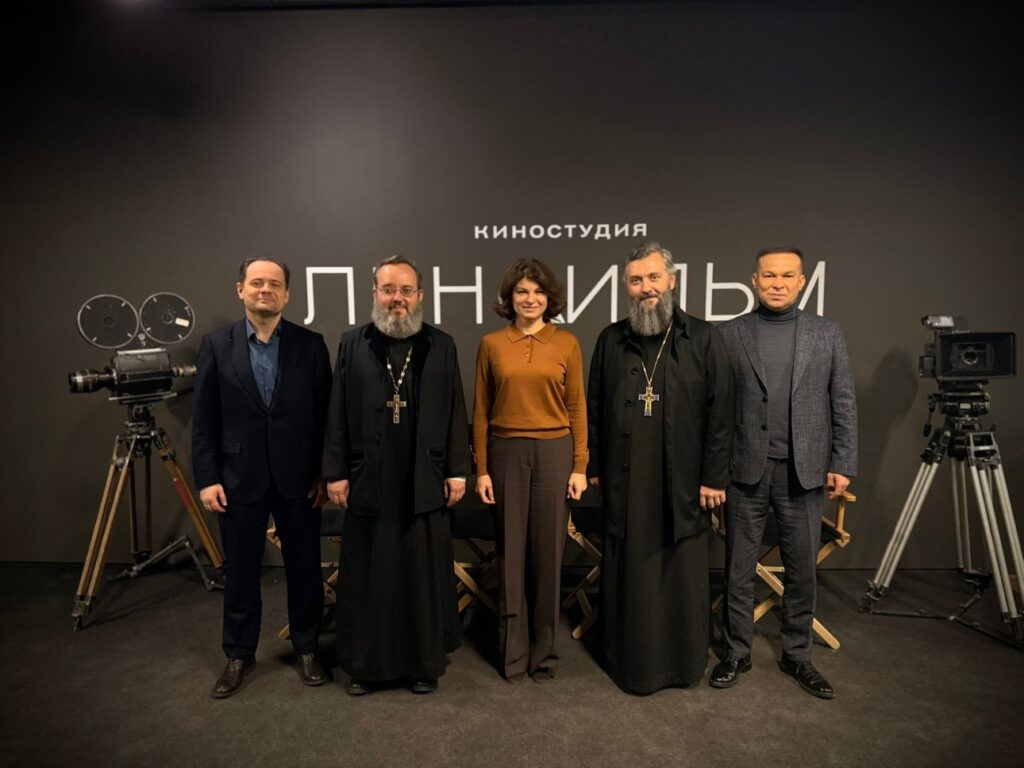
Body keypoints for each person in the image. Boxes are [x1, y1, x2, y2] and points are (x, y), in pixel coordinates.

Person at [587, 240, 733, 695]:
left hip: (684, 482)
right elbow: (594, 408)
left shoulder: (704, 338)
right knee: (630, 569)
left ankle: (681, 662)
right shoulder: (611, 339)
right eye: (636, 280)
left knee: (679, 570)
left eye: (653, 277)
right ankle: (629, 661)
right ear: (626, 287)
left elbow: (721, 413)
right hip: (625, 480)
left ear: (672, 280)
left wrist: (713, 477)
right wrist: (593, 465)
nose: (646, 287)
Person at [712, 247, 857, 699]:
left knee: (801, 572)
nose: (778, 283)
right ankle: (736, 653)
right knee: (737, 570)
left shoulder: (827, 333)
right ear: (754, 280)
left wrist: (843, 462)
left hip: (804, 473)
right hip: (744, 471)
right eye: (770, 276)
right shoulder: (729, 334)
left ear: (801, 281)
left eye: (787, 276)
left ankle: (798, 655)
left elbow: (843, 401)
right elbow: (714, 410)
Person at [322, 255, 471, 695]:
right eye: (388, 290)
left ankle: (424, 664)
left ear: (420, 295)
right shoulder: (352, 343)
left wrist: (458, 471)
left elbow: (456, 411)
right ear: (375, 294)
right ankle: (366, 667)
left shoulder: (441, 345)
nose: (397, 298)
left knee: (421, 572)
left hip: (423, 478)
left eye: (406, 290)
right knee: (371, 575)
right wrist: (335, 472)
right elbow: (336, 414)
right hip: (369, 478)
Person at [192, 257, 332, 699]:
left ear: (287, 294)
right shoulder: (216, 345)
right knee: (240, 572)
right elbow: (204, 420)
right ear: (241, 290)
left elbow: (326, 418)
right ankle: (239, 654)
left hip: (300, 480)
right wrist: (208, 478)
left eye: (274, 284)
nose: (265, 289)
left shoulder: (311, 345)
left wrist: (324, 474)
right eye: (256, 282)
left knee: (305, 569)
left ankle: (307, 648)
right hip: (237, 479)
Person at [473, 258, 588, 684]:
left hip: (555, 453)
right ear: (510, 297)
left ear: (549, 298)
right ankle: (513, 656)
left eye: (538, 292)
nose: (530, 299)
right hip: (506, 453)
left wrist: (580, 466)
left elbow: (577, 407)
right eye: (521, 291)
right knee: (511, 557)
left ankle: (544, 656)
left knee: (548, 557)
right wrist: (482, 470)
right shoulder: (491, 344)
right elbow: (480, 411)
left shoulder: (567, 343)